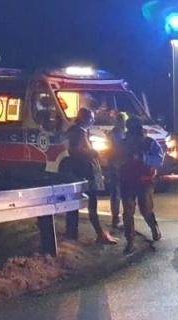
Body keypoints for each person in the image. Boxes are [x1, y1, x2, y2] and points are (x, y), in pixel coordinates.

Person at [61, 108, 116, 244]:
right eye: (91, 118)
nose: (93, 120)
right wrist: (92, 152)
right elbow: (75, 150)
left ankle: (73, 234)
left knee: (82, 204)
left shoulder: (79, 132)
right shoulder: (79, 133)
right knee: (91, 204)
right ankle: (97, 234)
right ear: (84, 119)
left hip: (82, 172)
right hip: (84, 172)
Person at [116, 120, 164, 253]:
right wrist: (122, 161)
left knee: (146, 209)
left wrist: (142, 158)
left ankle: (154, 227)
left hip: (144, 181)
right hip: (127, 180)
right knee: (128, 212)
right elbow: (113, 159)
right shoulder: (122, 144)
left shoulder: (150, 143)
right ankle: (130, 241)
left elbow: (159, 159)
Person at [107, 112, 131, 229]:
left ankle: (118, 218)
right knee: (119, 192)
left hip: (117, 164)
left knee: (117, 192)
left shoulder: (115, 133)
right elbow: (120, 148)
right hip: (118, 165)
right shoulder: (118, 135)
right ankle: (117, 218)